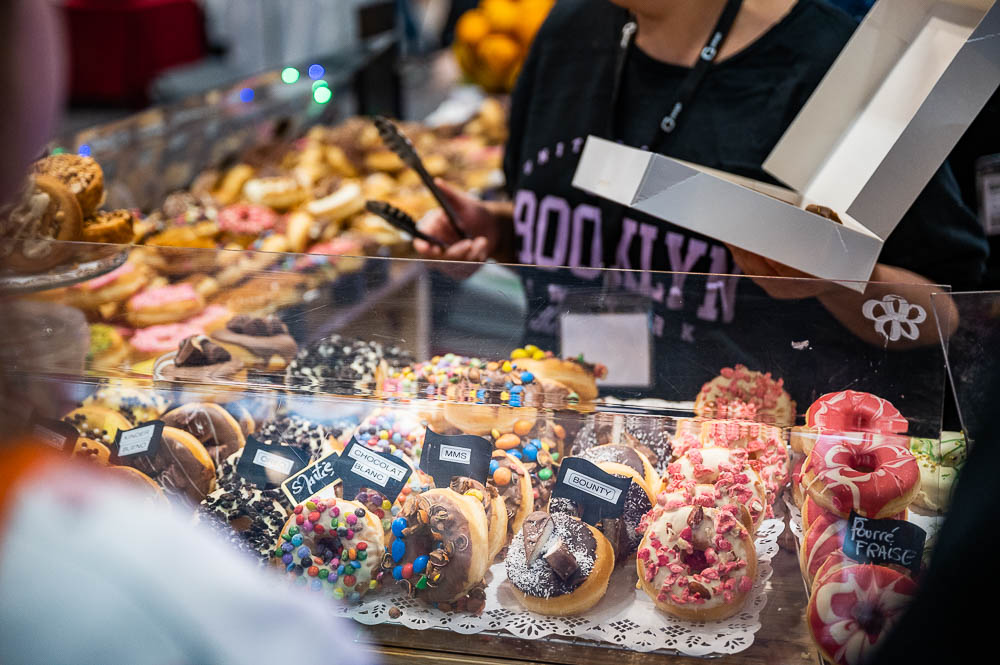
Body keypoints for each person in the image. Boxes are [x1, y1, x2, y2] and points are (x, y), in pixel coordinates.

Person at [415, 0, 987, 426]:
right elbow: (587, 237)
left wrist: (832, 279)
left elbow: (950, 314)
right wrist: (498, 231)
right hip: (555, 432)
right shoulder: (570, 27)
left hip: (736, 477)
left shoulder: (840, 66)